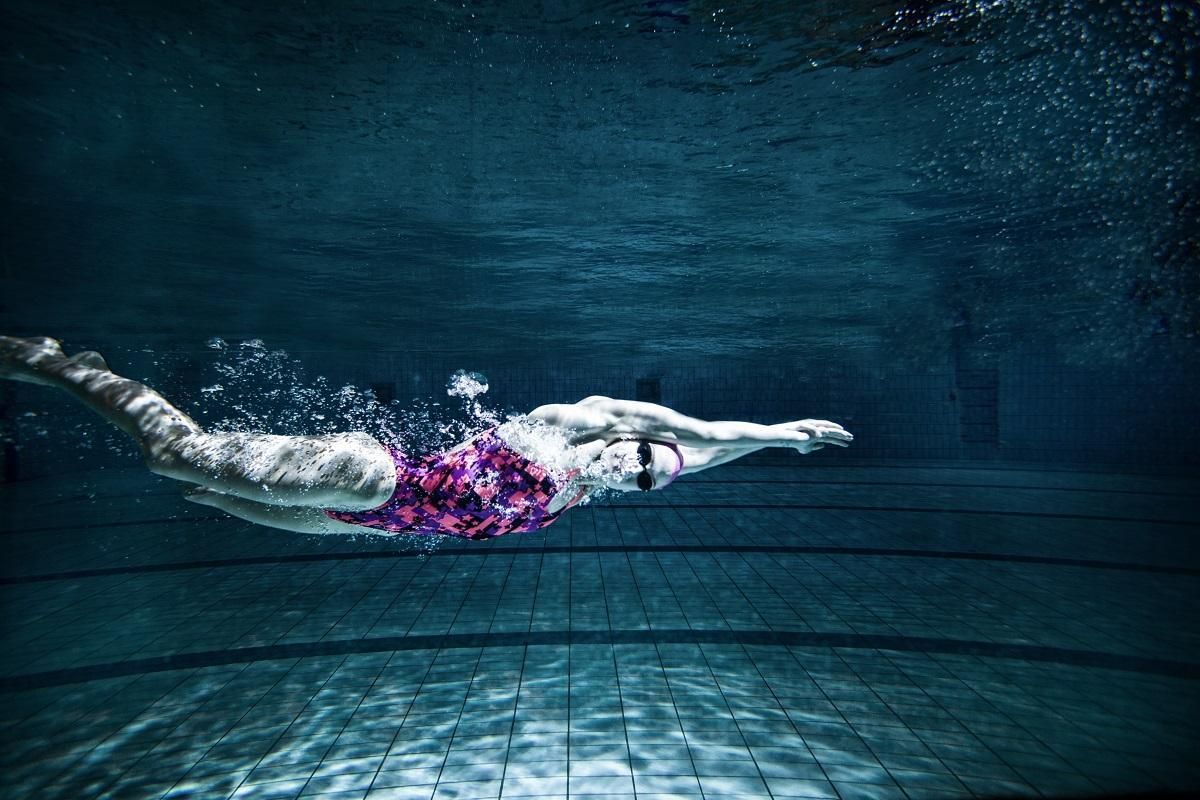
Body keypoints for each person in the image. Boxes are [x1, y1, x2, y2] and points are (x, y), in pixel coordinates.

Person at [1, 336, 853, 539]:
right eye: (632, 452)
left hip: (356, 517)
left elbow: (697, 458)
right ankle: (60, 364)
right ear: (619, 435)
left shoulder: (566, 499)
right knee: (170, 453)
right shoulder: (568, 432)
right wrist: (781, 430)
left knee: (192, 482)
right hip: (368, 473)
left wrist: (771, 449)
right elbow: (699, 435)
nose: (627, 465)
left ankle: (69, 370)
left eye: (638, 480)